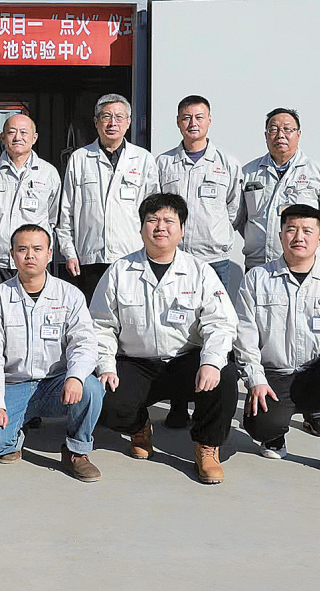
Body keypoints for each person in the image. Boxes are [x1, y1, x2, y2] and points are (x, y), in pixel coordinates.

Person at [89, 193, 239, 484]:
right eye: (152, 220)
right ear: (141, 227)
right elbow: (100, 325)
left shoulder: (200, 272)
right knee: (103, 395)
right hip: (137, 363)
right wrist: (105, 365)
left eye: (169, 221)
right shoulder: (120, 271)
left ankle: (207, 446)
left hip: (186, 361)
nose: (160, 227)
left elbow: (221, 324)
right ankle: (139, 428)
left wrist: (210, 363)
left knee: (224, 376)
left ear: (182, 230)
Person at [235, 204, 320, 482]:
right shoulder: (257, 279)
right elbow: (244, 336)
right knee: (261, 426)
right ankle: (274, 435)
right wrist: (255, 380)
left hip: (319, 374)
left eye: (307, 231)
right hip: (274, 376)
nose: (299, 237)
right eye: (291, 229)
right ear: (280, 236)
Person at [235, 107, 320, 437]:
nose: (280, 134)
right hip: (262, 269)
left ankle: (316, 409)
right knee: (268, 340)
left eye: (287, 128)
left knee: (314, 336)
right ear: (265, 133)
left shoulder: (319, 173)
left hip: (305, 271)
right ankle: (268, 395)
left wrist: (305, 252)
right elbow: (239, 219)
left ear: (299, 134)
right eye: (273, 128)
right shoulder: (249, 173)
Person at [0, 224, 103, 482]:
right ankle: (14, 436)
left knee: (90, 387)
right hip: (14, 385)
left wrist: (75, 377)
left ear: (49, 254)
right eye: (22, 249)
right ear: (12, 254)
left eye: (37, 249)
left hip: (56, 384)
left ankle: (77, 451)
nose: (30, 255)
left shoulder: (69, 295)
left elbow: (85, 343)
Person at [156, 95, 242, 429]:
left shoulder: (227, 164)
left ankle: (209, 402)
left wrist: (214, 233)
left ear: (209, 121)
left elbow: (234, 210)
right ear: (178, 122)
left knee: (216, 328)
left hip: (214, 260)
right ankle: (178, 403)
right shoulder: (164, 163)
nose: (193, 123)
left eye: (199, 117)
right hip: (175, 260)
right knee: (176, 328)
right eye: (186, 117)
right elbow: (156, 208)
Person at [58, 93, 160, 303]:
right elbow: (66, 211)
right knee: (93, 315)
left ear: (128, 122)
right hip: (89, 259)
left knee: (131, 315)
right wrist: (69, 253)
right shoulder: (79, 159)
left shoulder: (143, 159)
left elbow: (154, 214)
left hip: (132, 256)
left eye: (119, 117)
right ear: (96, 122)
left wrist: (153, 252)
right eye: (106, 116)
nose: (113, 123)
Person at [0, 114, 61, 306]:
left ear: (34, 138)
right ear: (3, 137)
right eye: (12, 132)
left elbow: (53, 218)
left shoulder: (48, 173)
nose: (18, 137)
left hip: (35, 264)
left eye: (24, 132)